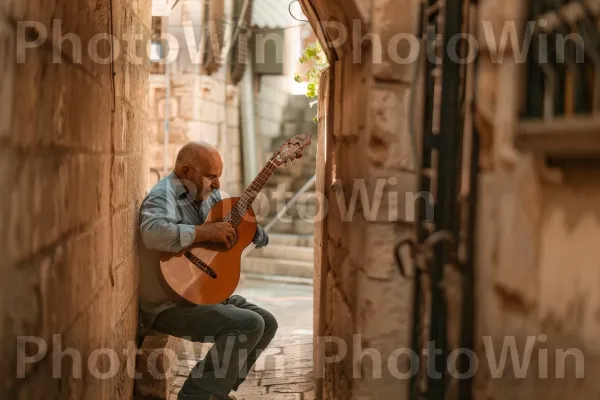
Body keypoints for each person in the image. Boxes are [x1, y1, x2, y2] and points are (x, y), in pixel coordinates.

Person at [137, 141, 278, 400]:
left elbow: (225, 226)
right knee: (248, 324)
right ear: (186, 171)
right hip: (168, 304)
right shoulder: (163, 195)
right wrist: (204, 232)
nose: (217, 185)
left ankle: (218, 391)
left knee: (267, 322)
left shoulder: (209, 196)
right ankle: (196, 396)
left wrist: (251, 232)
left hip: (202, 290)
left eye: (219, 177)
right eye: (211, 176)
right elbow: (152, 233)